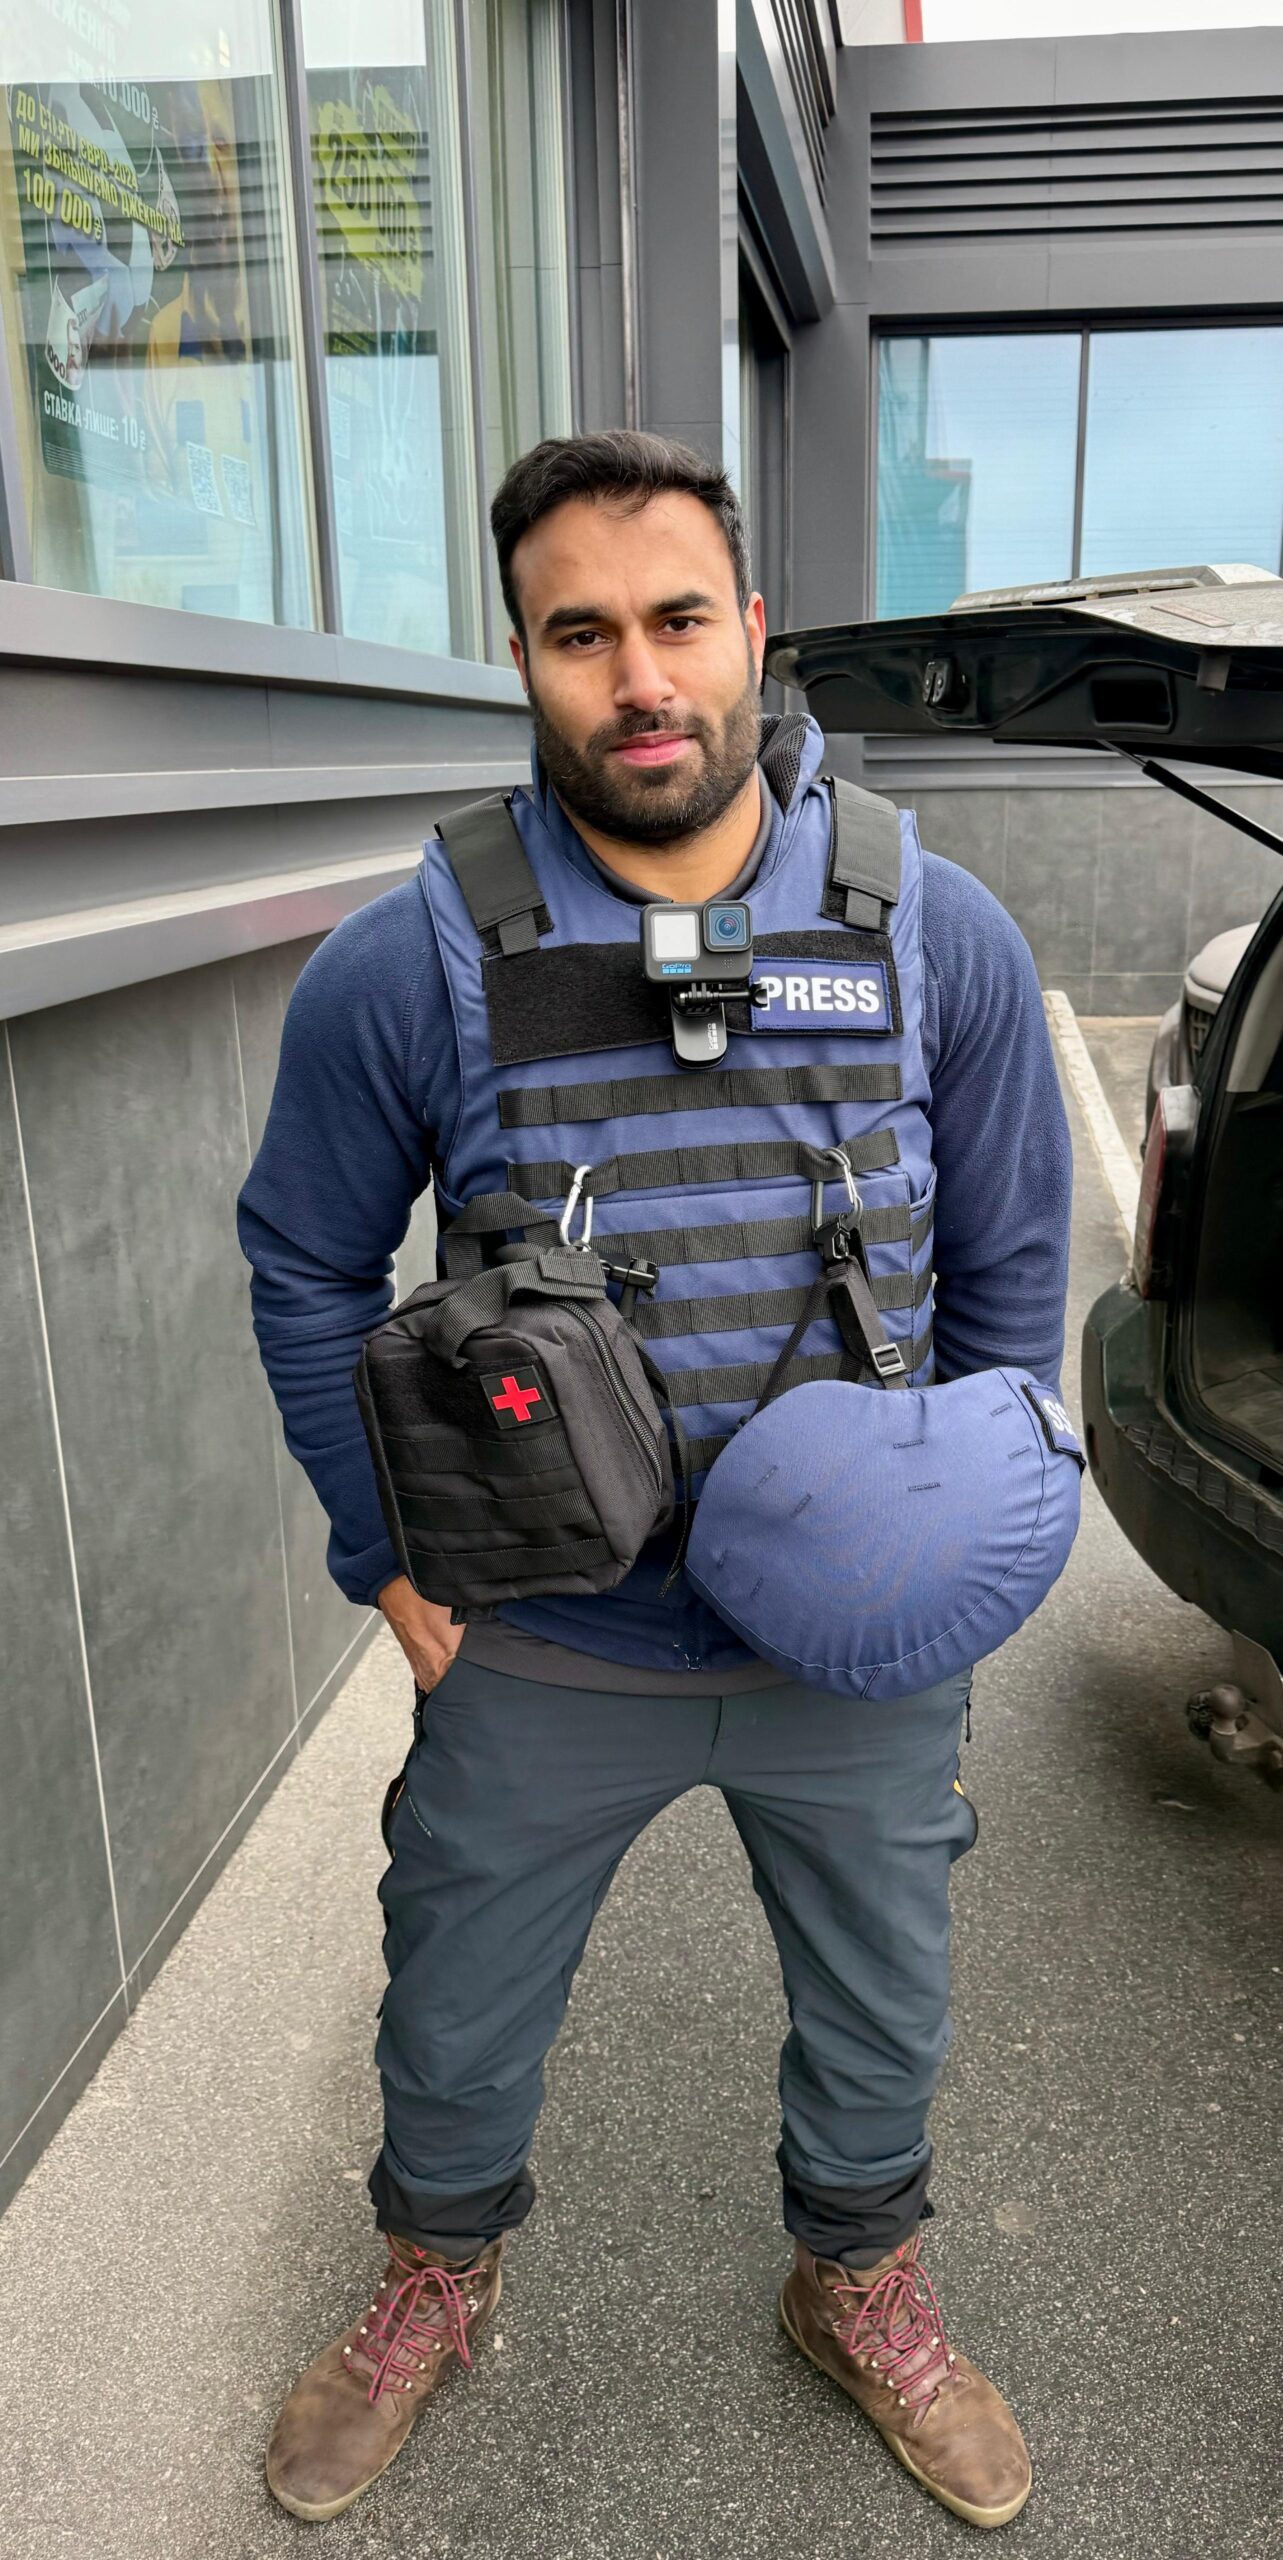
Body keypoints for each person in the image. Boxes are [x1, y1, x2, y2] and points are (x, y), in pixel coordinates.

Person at [238, 430, 1071, 2530]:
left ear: (752, 628)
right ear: (520, 656)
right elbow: (304, 1259)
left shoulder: (930, 927)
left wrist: (962, 1547)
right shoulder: (421, 954)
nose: (640, 677)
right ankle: (435, 2273)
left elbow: (1016, 1277)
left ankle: (855, 2278)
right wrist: (384, 1554)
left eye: (679, 617)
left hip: (853, 1648)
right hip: (547, 1634)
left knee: (885, 1995)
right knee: (452, 1993)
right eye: (579, 631)